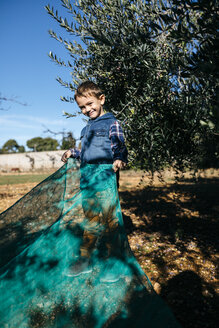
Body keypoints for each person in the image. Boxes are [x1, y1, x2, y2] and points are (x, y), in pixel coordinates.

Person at [61, 81, 128, 278]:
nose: (87, 109)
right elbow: (86, 154)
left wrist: (119, 159)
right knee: (90, 219)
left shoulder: (112, 123)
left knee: (110, 221)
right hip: (88, 179)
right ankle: (85, 259)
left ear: (101, 99)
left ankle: (113, 261)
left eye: (90, 104)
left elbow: (119, 146)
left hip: (105, 177)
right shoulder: (86, 129)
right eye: (82, 107)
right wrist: (72, 152)